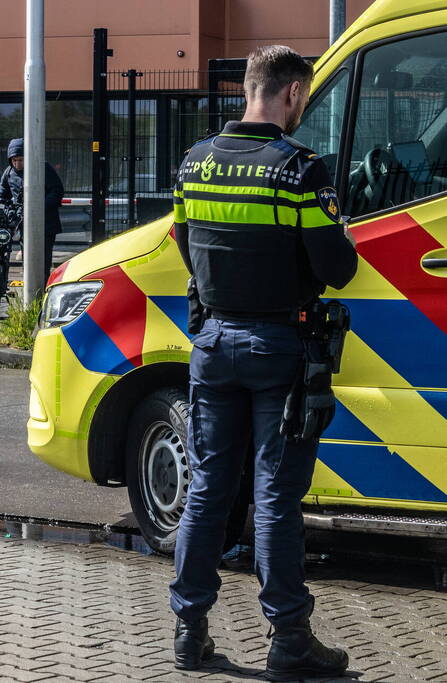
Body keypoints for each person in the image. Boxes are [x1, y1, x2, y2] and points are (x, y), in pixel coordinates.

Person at [169, 46, 358, 680]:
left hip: (214, 345)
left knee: (207, 491)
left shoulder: (195, 163)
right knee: (275, 498)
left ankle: (188, 631)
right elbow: (337, 269)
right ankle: (289, 642)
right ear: (293, 94)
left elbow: (182, 239)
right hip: (281, 349)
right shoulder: (300, 170)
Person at [0, 138, 64, 285]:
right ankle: (31, 293)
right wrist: (10, 213)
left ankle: (42, 294)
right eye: (14, 160)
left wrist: (38, 209)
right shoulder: (8, 173)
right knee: (28, 263)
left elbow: (57, 190)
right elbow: (2, 197)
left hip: (45, 224)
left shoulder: (43, 168)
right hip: (23, 225)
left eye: (21, 159)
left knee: (43, 262)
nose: (17, 164)